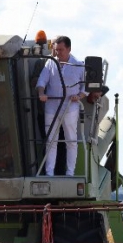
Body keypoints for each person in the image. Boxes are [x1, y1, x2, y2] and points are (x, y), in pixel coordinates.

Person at [35, 35, 86, 176]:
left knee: (71, 140)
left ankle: (70, 173)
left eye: (61, 50)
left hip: (70, 107)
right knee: (51, 140)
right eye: (56, 50)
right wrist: (41, 93)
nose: (58, 53)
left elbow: (85, 87)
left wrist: (79, 96)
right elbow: (42, 80)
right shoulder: (50, 63)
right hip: (51, 106)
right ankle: (49, 173)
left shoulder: (78, 65)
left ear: (69, 49)